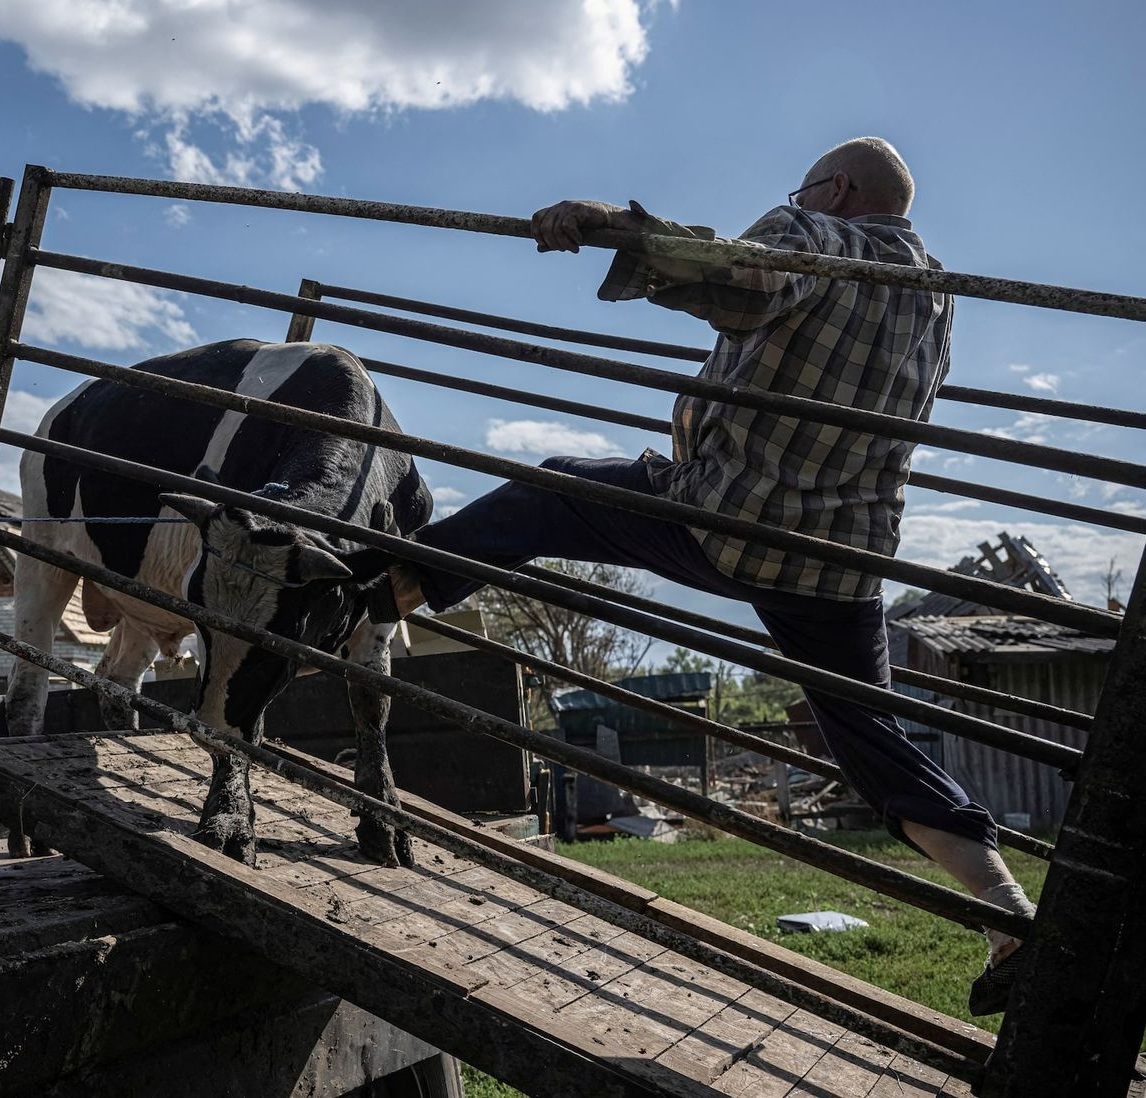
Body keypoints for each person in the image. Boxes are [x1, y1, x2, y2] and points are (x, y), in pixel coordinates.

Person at [368, 138, 1034, 1015]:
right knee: (867, 736)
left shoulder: (817, 233)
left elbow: (734, 272)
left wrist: (609, 226)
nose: (792, 199)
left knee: (544, 493)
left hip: (734, 520)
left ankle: (369, 598)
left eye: (802, 189)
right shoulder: (935, 294)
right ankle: (1012, 921)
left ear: (833, 190)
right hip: (844, 558)